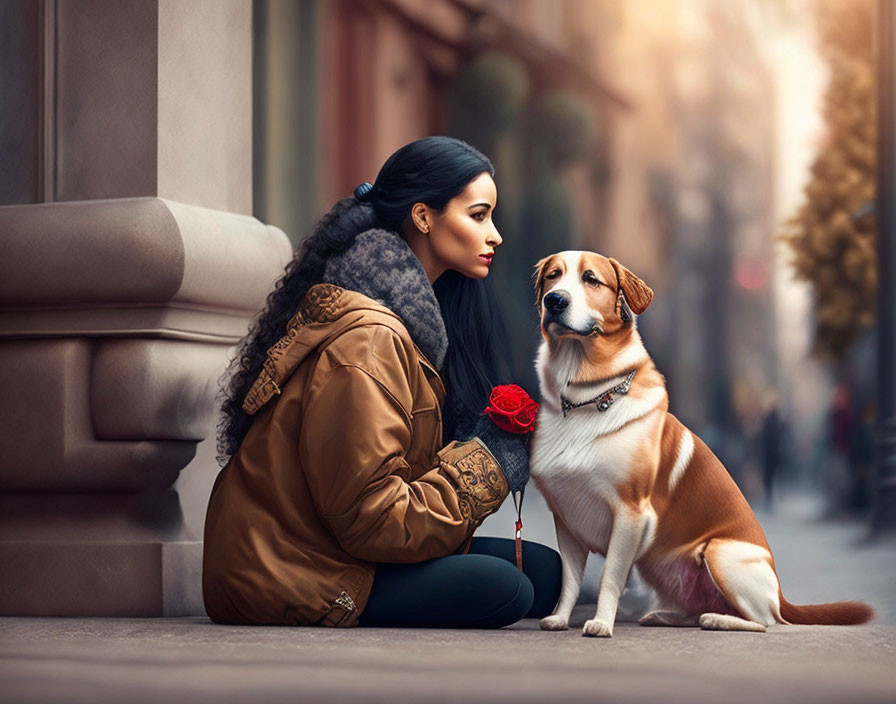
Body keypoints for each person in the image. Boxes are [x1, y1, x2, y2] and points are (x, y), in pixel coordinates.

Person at [203, 136, 561, 628]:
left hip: (341, 543)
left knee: (547, 572)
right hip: (292, 571)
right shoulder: (370, 340)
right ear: (422, 217)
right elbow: (371, 519)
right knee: (510, 590)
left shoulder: (415, 323)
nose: (495, 235)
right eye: (478, 216)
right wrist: (487, 466)